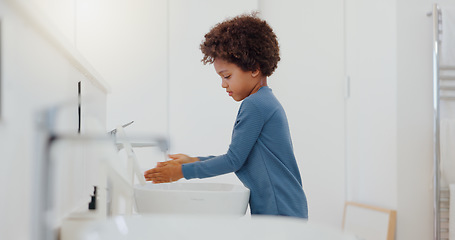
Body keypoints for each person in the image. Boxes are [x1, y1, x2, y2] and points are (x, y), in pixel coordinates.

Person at [144, 13, 308, 219]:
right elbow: (240, 158)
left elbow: (233, 161)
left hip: (279, 210)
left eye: (227, 76)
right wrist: (192, 160)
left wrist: (182, 172)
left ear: (255, 69)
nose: (223, 84)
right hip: (285, 206)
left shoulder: (255, 105)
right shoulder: (265, 101)